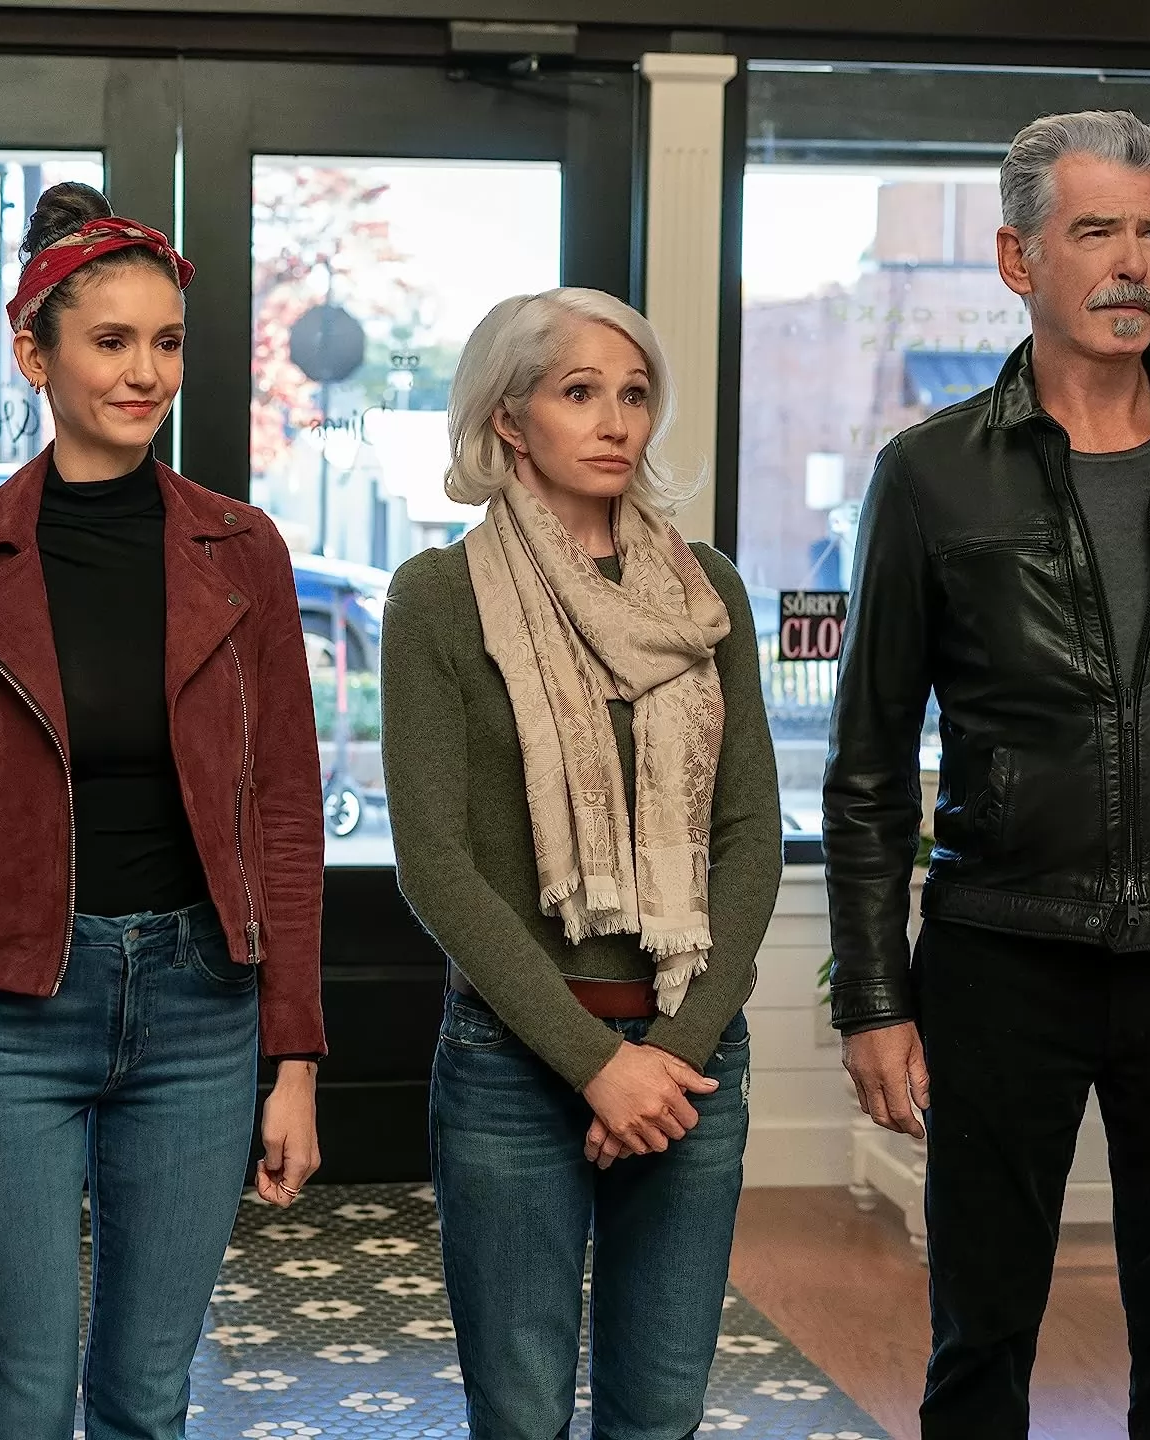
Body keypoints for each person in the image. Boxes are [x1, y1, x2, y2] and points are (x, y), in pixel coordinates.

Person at [825, 110, 1150, 1440]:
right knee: (980, 1343)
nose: (1133, 263)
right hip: (1002, 957)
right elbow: (869, 767)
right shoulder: (930, 477)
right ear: (1019, 258)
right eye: (1097, 232)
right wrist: (875, 998)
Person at [0, 182, 326, 1440]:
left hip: (200, 1012)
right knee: (18, 1399)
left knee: (146, 1397)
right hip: (7, 1015)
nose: (145, 373)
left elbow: (285, 813)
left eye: (166, 342)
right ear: (36, 355)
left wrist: (294, 1059)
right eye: (110, 342)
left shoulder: (245, 551)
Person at [382, 288, 783, 1437]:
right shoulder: (439, 598)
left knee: (660, 1413)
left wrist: (668, 1057)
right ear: (509, 418)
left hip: (692, 1056)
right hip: (512, 1064)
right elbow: (435, 864)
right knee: (520, 1417)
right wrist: (597, 1066)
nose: (615, 421)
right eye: (579, 392)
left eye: (634, 394)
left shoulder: (706, 591)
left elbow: (749, 833)